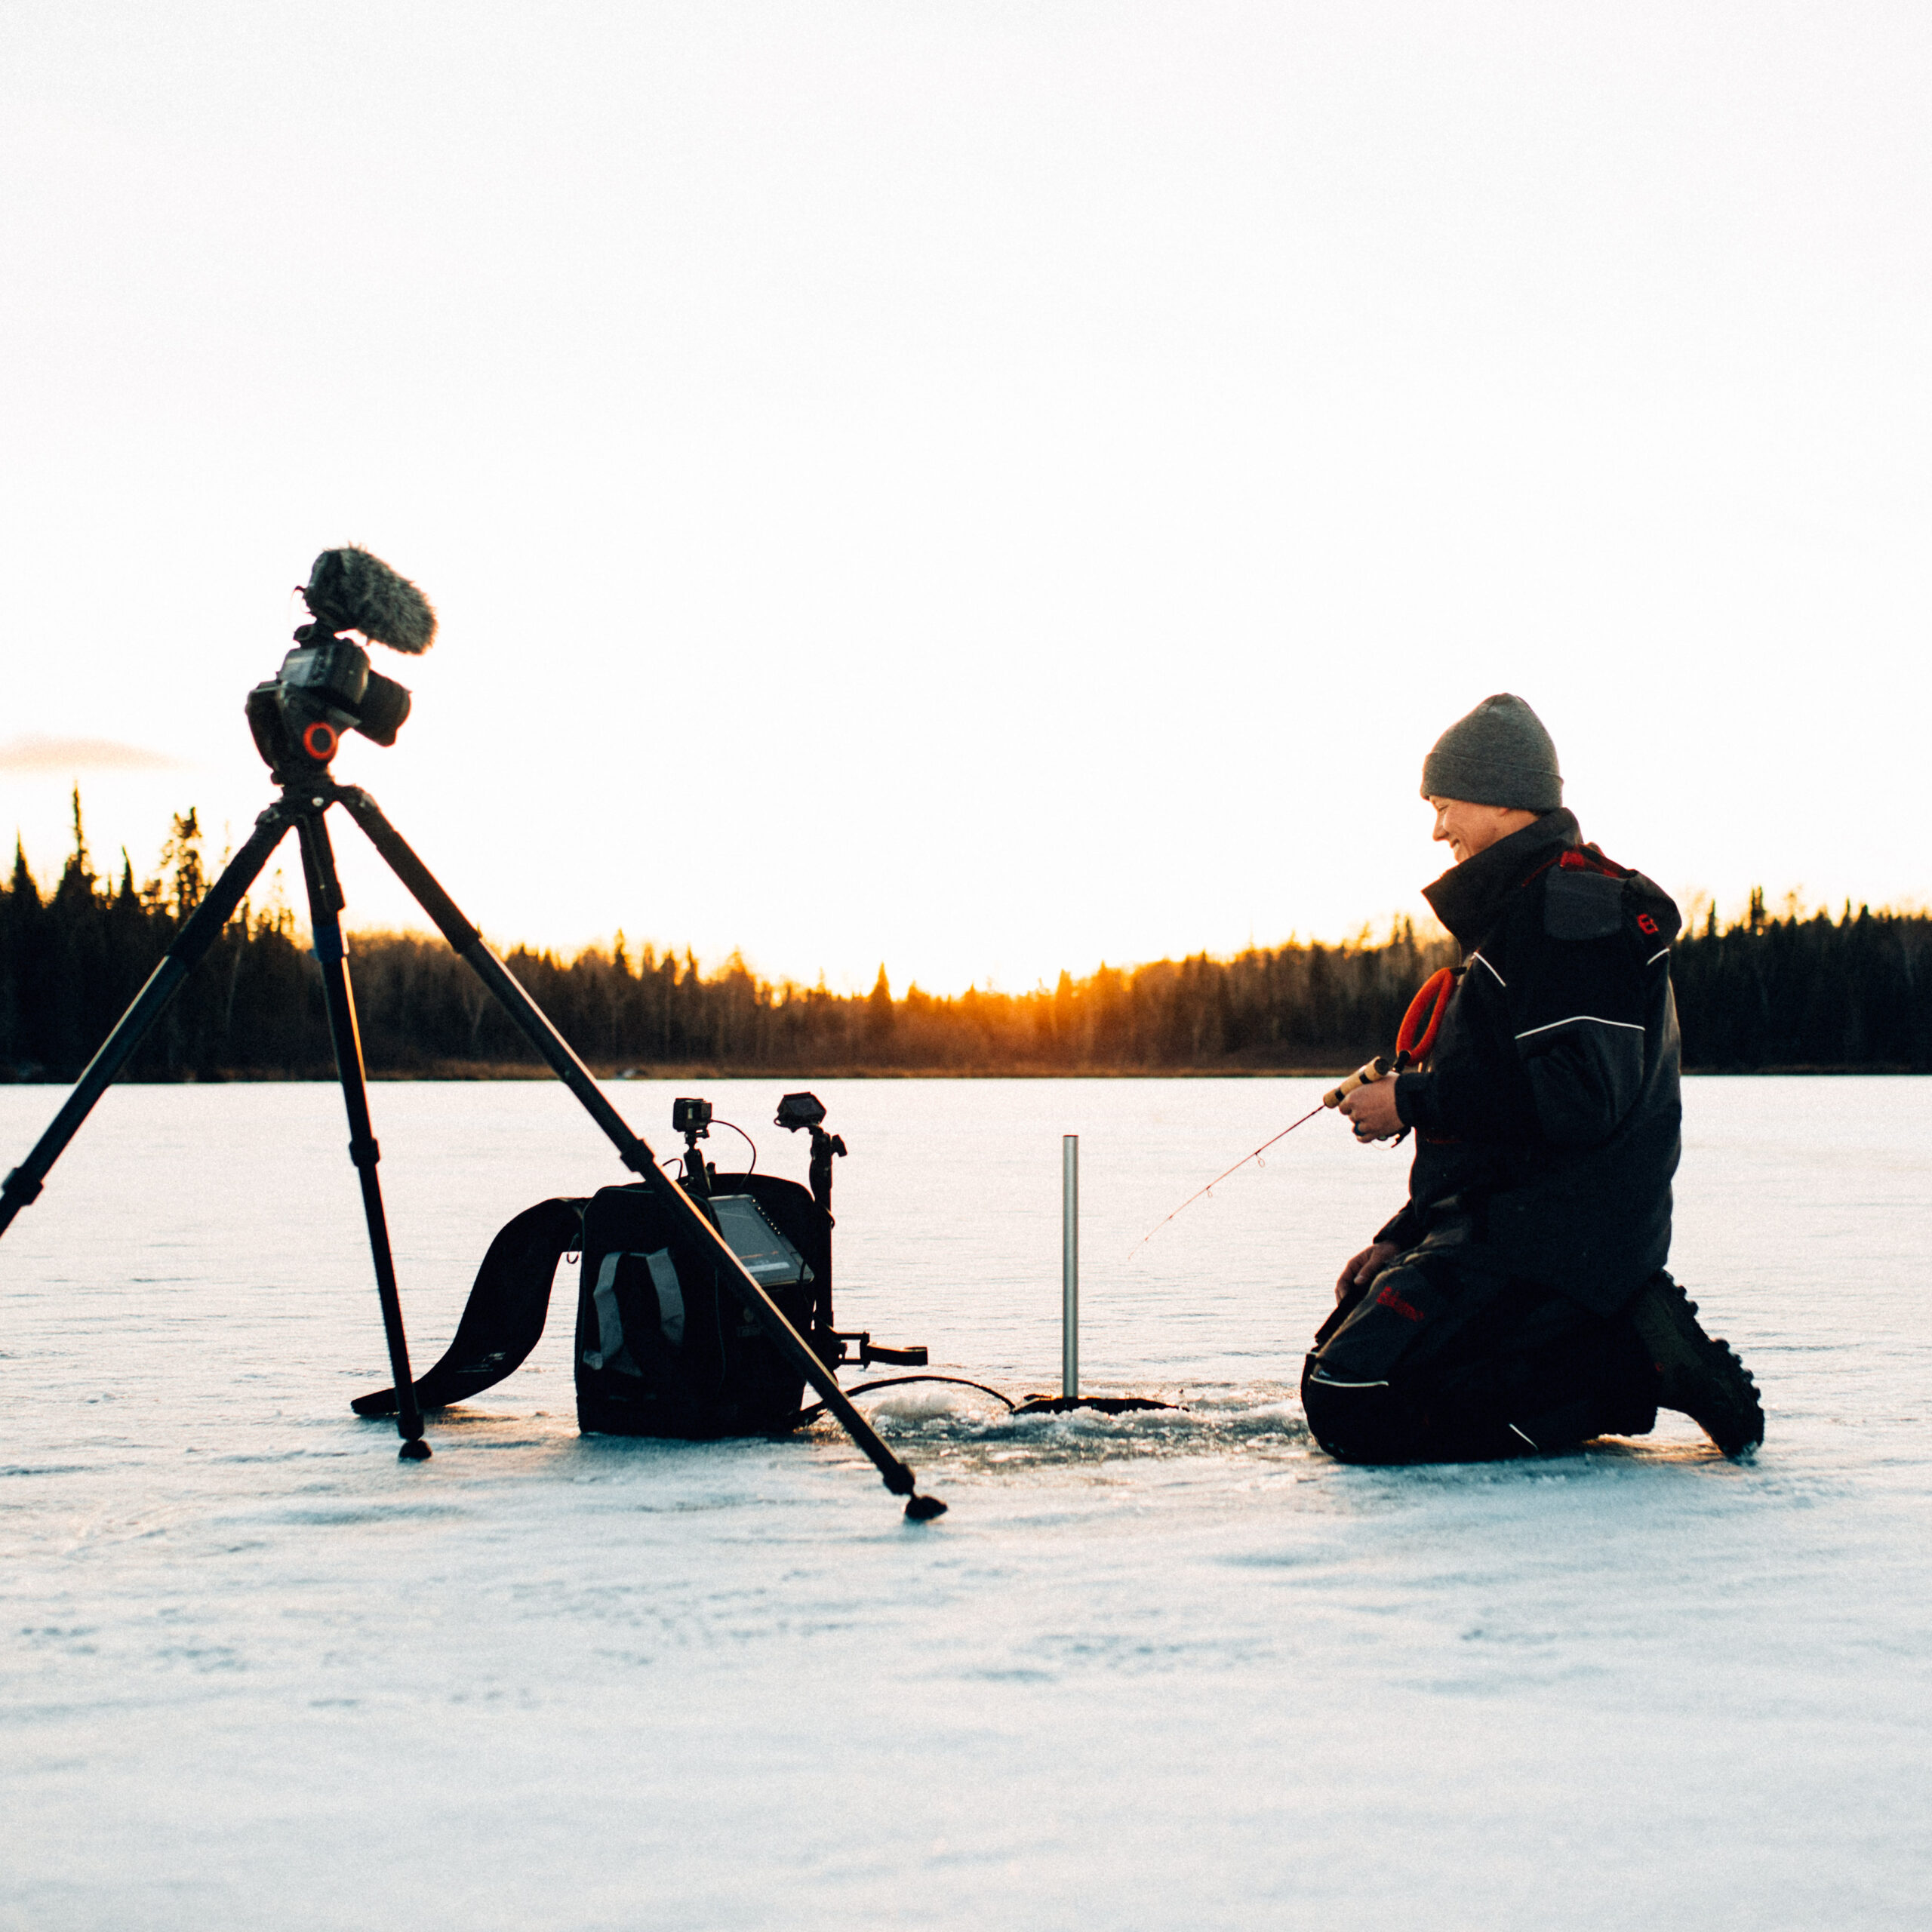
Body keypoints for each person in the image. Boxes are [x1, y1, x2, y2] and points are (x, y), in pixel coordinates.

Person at [1301, 693, 1763, 1463]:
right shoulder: (1521, 914)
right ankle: (1595, 1341)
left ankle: (1629, 1359)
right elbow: (1495, 1134)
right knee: (1336, 1366)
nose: (1437, 830)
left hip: (1557, 1244)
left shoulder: (1571, 913)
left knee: (1354, 1401)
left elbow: (1578, 1101)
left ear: (1501, 799)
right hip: (1501, 1230)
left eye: (1444, 806)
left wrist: (1409, 1099)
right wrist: (1405, 1235)